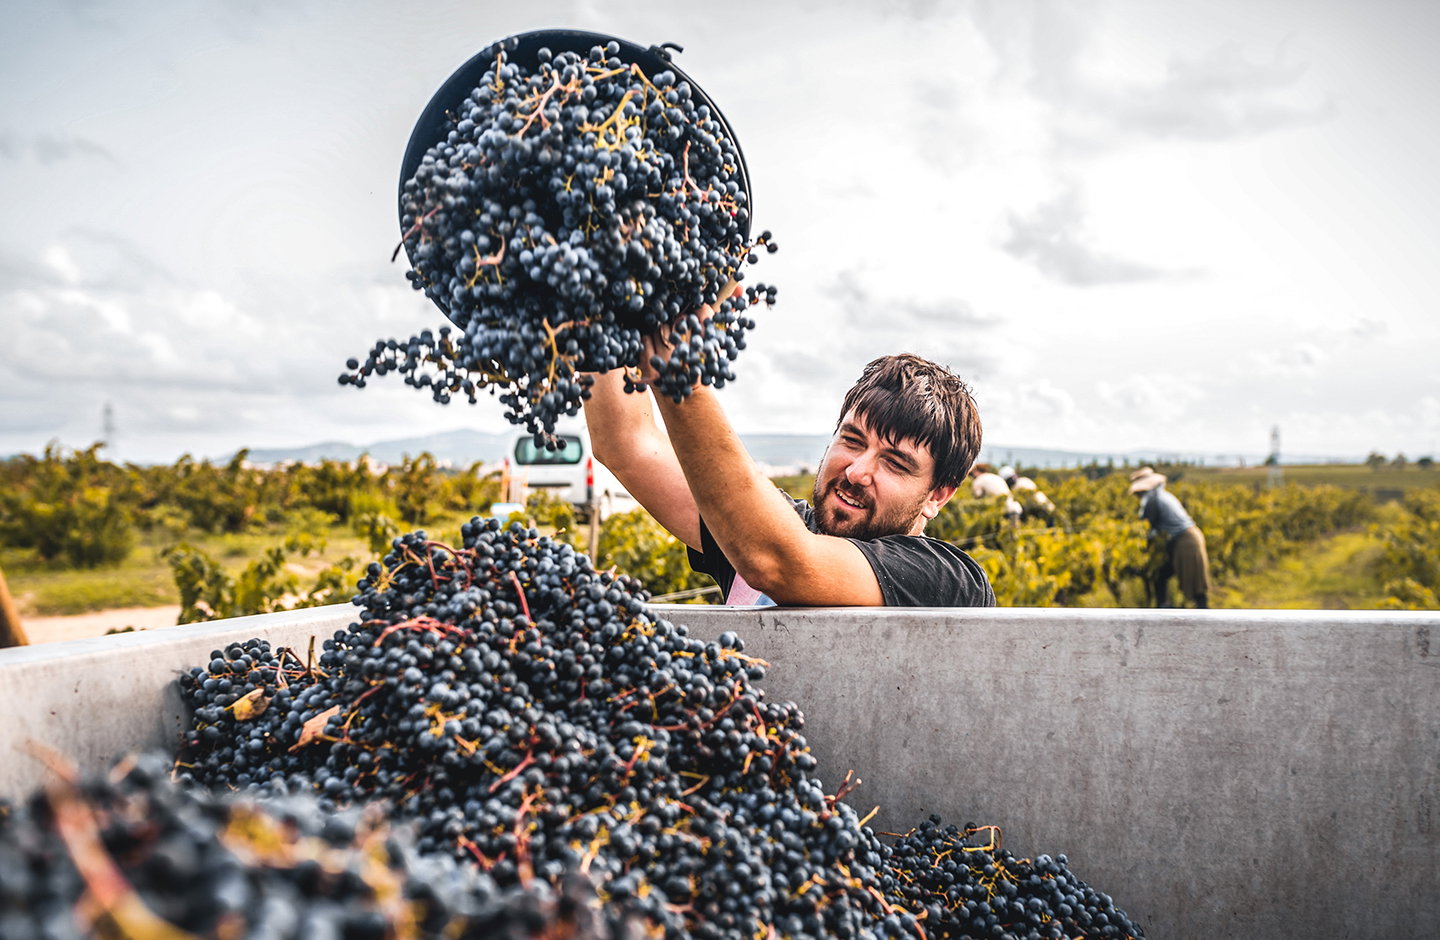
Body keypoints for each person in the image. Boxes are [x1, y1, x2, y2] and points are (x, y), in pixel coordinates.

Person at [582, 322, 995, 608]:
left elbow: (777, 562)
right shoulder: (760, 526)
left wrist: (675, 366)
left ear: (938, 495)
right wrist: (600, 303)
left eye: (895, 464)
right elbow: (628, 443)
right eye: (852, 441)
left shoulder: (949, 580)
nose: (856, 471)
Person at [1129, 467, 1212, 608]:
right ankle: (1165, 608)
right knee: (1162, 575)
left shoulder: (1153, 500)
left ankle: (1199, 615)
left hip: (1186, 541)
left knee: (1193, 581)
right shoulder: (1161, 495)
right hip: (1188, 538)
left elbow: (1147, 527)